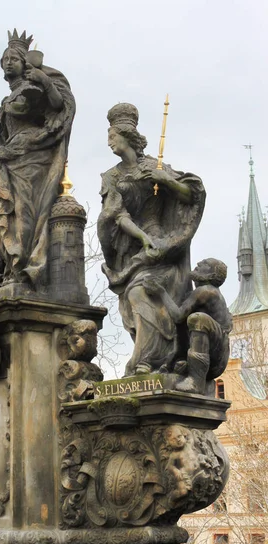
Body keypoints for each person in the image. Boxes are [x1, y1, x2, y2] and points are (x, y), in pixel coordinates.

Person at [97, 103, 206, 376]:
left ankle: (147, 362)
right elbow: (116, 215)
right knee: (134, 294)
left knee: (144, 293)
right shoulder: (111, 176)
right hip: (134, 244)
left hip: (164, 243)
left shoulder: (156, 166)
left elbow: (190, 196)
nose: (109, 142)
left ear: (126, 137)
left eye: (112, 136)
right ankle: (149, 358)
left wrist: (165, 180)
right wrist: (141, 236)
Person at [0, 30, 75, 289]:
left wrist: (44, 81)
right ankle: (12, 264)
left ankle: (22, 268)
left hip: (32, 159)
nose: (9, 62)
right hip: (10, 161)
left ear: (25, 63)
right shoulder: (9, 98)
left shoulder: (34, 87)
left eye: (15, 58)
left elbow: (58, 107)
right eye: (5, 59)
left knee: (23, 210)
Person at [143, 258, 232, 393]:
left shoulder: (206, 291)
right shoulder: (199, 293)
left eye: (205, 264)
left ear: (212, 275)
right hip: (210, 351)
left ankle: (196, 382)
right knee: (189, 321)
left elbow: (178, 316)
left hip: (216, 355)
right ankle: (178, 363)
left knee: (197, 319)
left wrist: (161, 292)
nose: (199, 264)